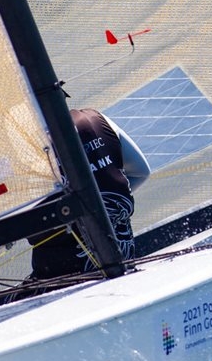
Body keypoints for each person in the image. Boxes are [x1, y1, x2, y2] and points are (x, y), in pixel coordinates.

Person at [29, 108, 151, 279]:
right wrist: (101, 198)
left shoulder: (26, 148)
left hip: (61, 282)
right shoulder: (96, 118)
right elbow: (141, 172)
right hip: (124, 265)